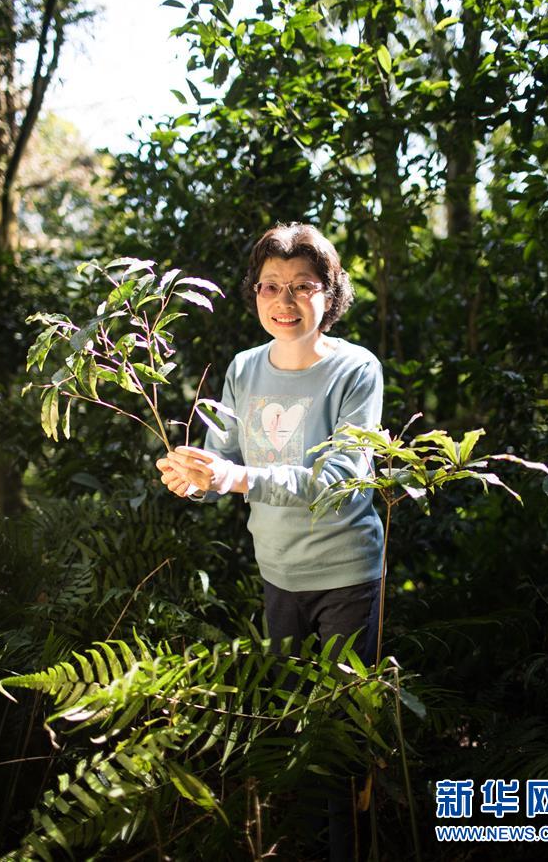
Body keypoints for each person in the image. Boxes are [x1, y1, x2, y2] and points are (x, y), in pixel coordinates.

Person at [156, 222, 384, 860]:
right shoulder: (243, 368)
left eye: (302, 287)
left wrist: (236, 476)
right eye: (270, 287)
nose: (285, 302)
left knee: (341, 736)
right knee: (289, 729)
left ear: (330, 293)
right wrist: (195, 475)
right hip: (277, 573)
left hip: (346, 575)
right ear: (255, 294)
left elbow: (343, 478)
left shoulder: (355, 369)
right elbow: (225, 458)